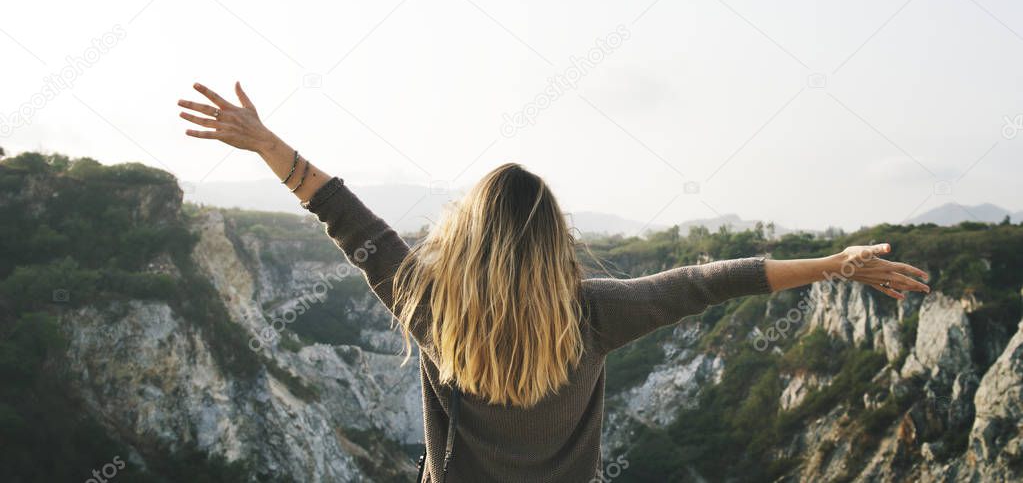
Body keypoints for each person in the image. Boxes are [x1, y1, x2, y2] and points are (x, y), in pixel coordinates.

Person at [178, 81, 931, 482]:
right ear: (554, 242)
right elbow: (709, 280)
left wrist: (266, 142)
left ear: (464, 237)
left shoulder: (428, 304)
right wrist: (835, 263)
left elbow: (343, 216)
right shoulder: (596, 314)